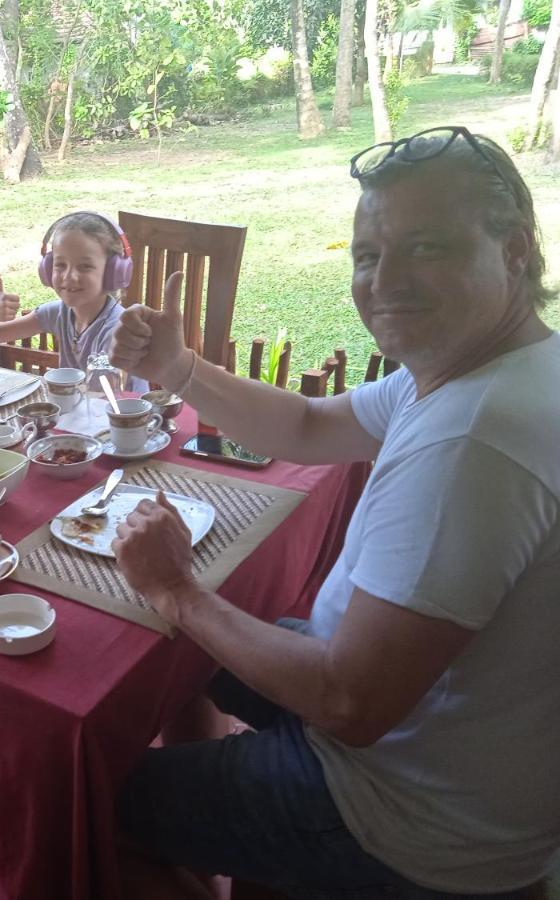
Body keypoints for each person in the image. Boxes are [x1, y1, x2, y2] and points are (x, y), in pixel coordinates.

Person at [108, 126, 560, 897]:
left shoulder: (476, 440)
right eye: (367, 256)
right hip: (449, 751)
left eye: (426, 247)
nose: (384, 281)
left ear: (514, 251)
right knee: (189, 656)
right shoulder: (488, 368)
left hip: (405, 817)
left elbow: (348, 703)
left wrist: (176, 591)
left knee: (94, 803)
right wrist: (178, 369)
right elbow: (309, 426)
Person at [0, 210, 148, 392]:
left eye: (85, 266)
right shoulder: (58, 313)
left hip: (121, 415)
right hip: (85, 409)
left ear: (113, 272)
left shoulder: (117, 330)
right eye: (60, 264)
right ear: (47, 269)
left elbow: (105, 399)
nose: (69, 276)